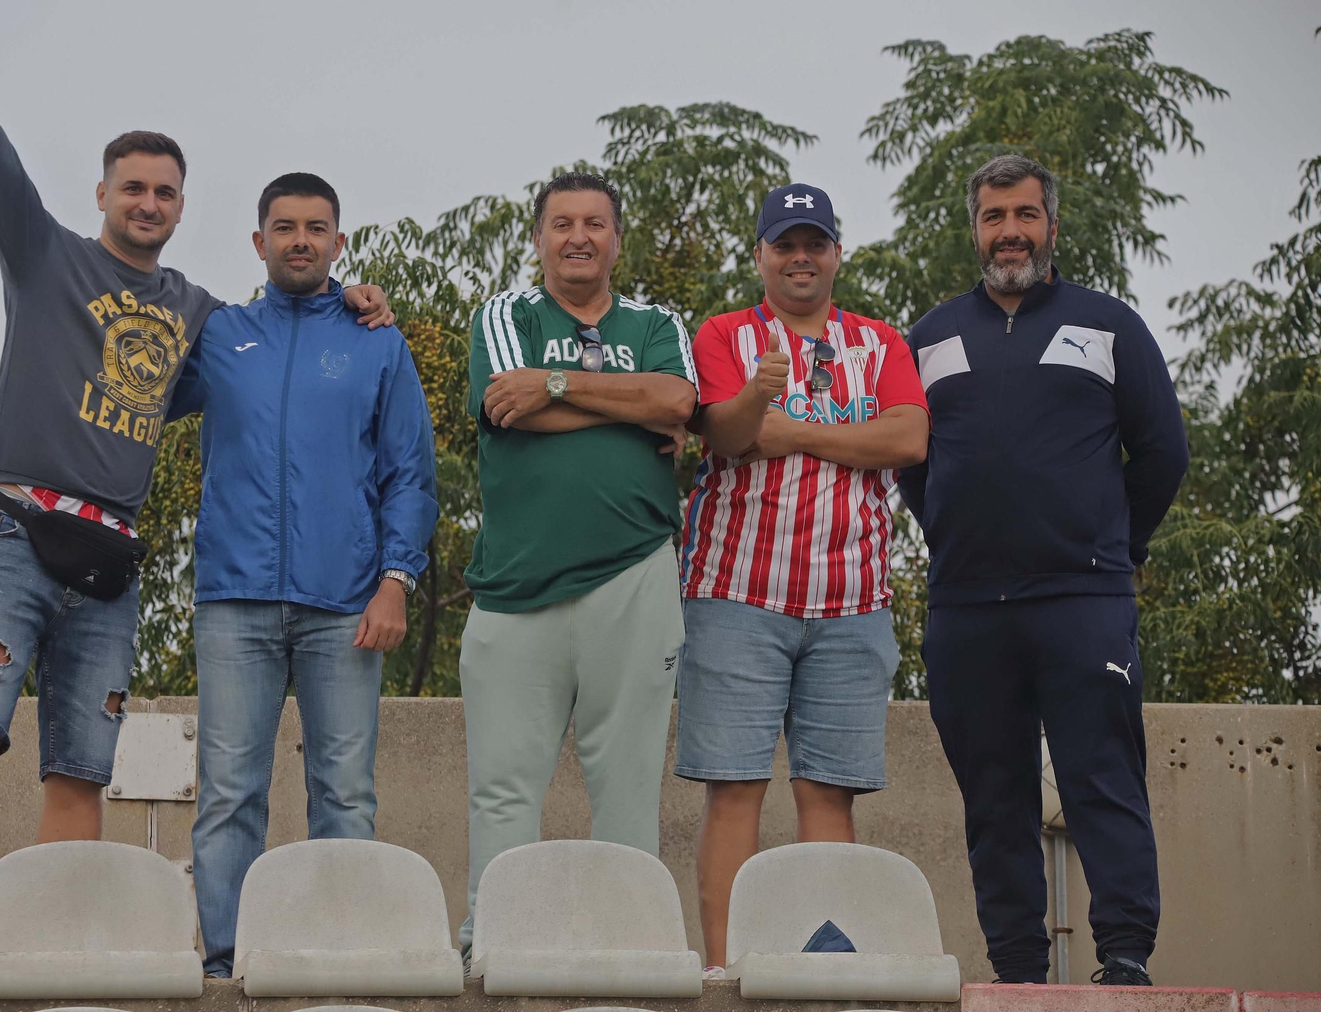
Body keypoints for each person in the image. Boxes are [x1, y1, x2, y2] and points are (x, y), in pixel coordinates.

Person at [0, 15, 391, 980]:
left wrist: (352, 300)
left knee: (82, 765)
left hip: (108, 555)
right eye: (134, 187)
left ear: (182, 206)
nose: (150, 202)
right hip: (10, 521)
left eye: (167, 191)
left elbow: (270, 349)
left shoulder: (195, 311)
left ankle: (47, 942)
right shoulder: (48, 257)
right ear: (104, 194)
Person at [898, 154, 1189, 987]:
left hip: (1084, 601)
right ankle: (1020, 972)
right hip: (966, 609)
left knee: (1103, 781)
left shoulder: (1109, 324)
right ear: (975, 228)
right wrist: (958, 533)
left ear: (1052, 225)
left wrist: (1113, 549)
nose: (1010, 232)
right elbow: (913, 464)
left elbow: (1163, 451)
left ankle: (1126, 959)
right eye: (994, 217)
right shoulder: (931, 334)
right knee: (995, 802)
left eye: (1025, 215)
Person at [170, 173, 437, 978]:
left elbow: (411, 477)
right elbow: (137, 392)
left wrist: (395, 579)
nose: (299, 239)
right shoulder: (219, 335)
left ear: (338, 243)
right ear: (258, 242)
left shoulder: (376, 341)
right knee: (226, 796)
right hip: (233, 598)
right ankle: (224, 964)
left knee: (347, 794)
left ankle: (340, 960)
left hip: (345, 606)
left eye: (316, 228)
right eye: (283, 227)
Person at [677, 182, 930, 975]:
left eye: (813, 242)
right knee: (735, 790)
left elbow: (909, 438)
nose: (799, 257)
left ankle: (820, 971)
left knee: (828, 797)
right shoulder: (722, 334)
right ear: (759, 255)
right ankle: (725, 972)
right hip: (734, 596)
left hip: (852, 603)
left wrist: (794, 429)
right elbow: (729, 432)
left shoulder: (882, 341)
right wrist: (833, 432)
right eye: (784, 243)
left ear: (835, 255)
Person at [458, 171, 698, 958]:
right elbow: (503, 401)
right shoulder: (505, 313)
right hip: (514, 588)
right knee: (503, 790)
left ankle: (630, 952)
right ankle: (494, 945)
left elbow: (676, 402)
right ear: (539, 238)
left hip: (634, 572)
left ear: (616, 238)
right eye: (562, 223)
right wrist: (626, 402)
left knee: (627, 788)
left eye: (595, 223)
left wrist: (556, 383)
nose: (579, 237)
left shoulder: (656, 320)